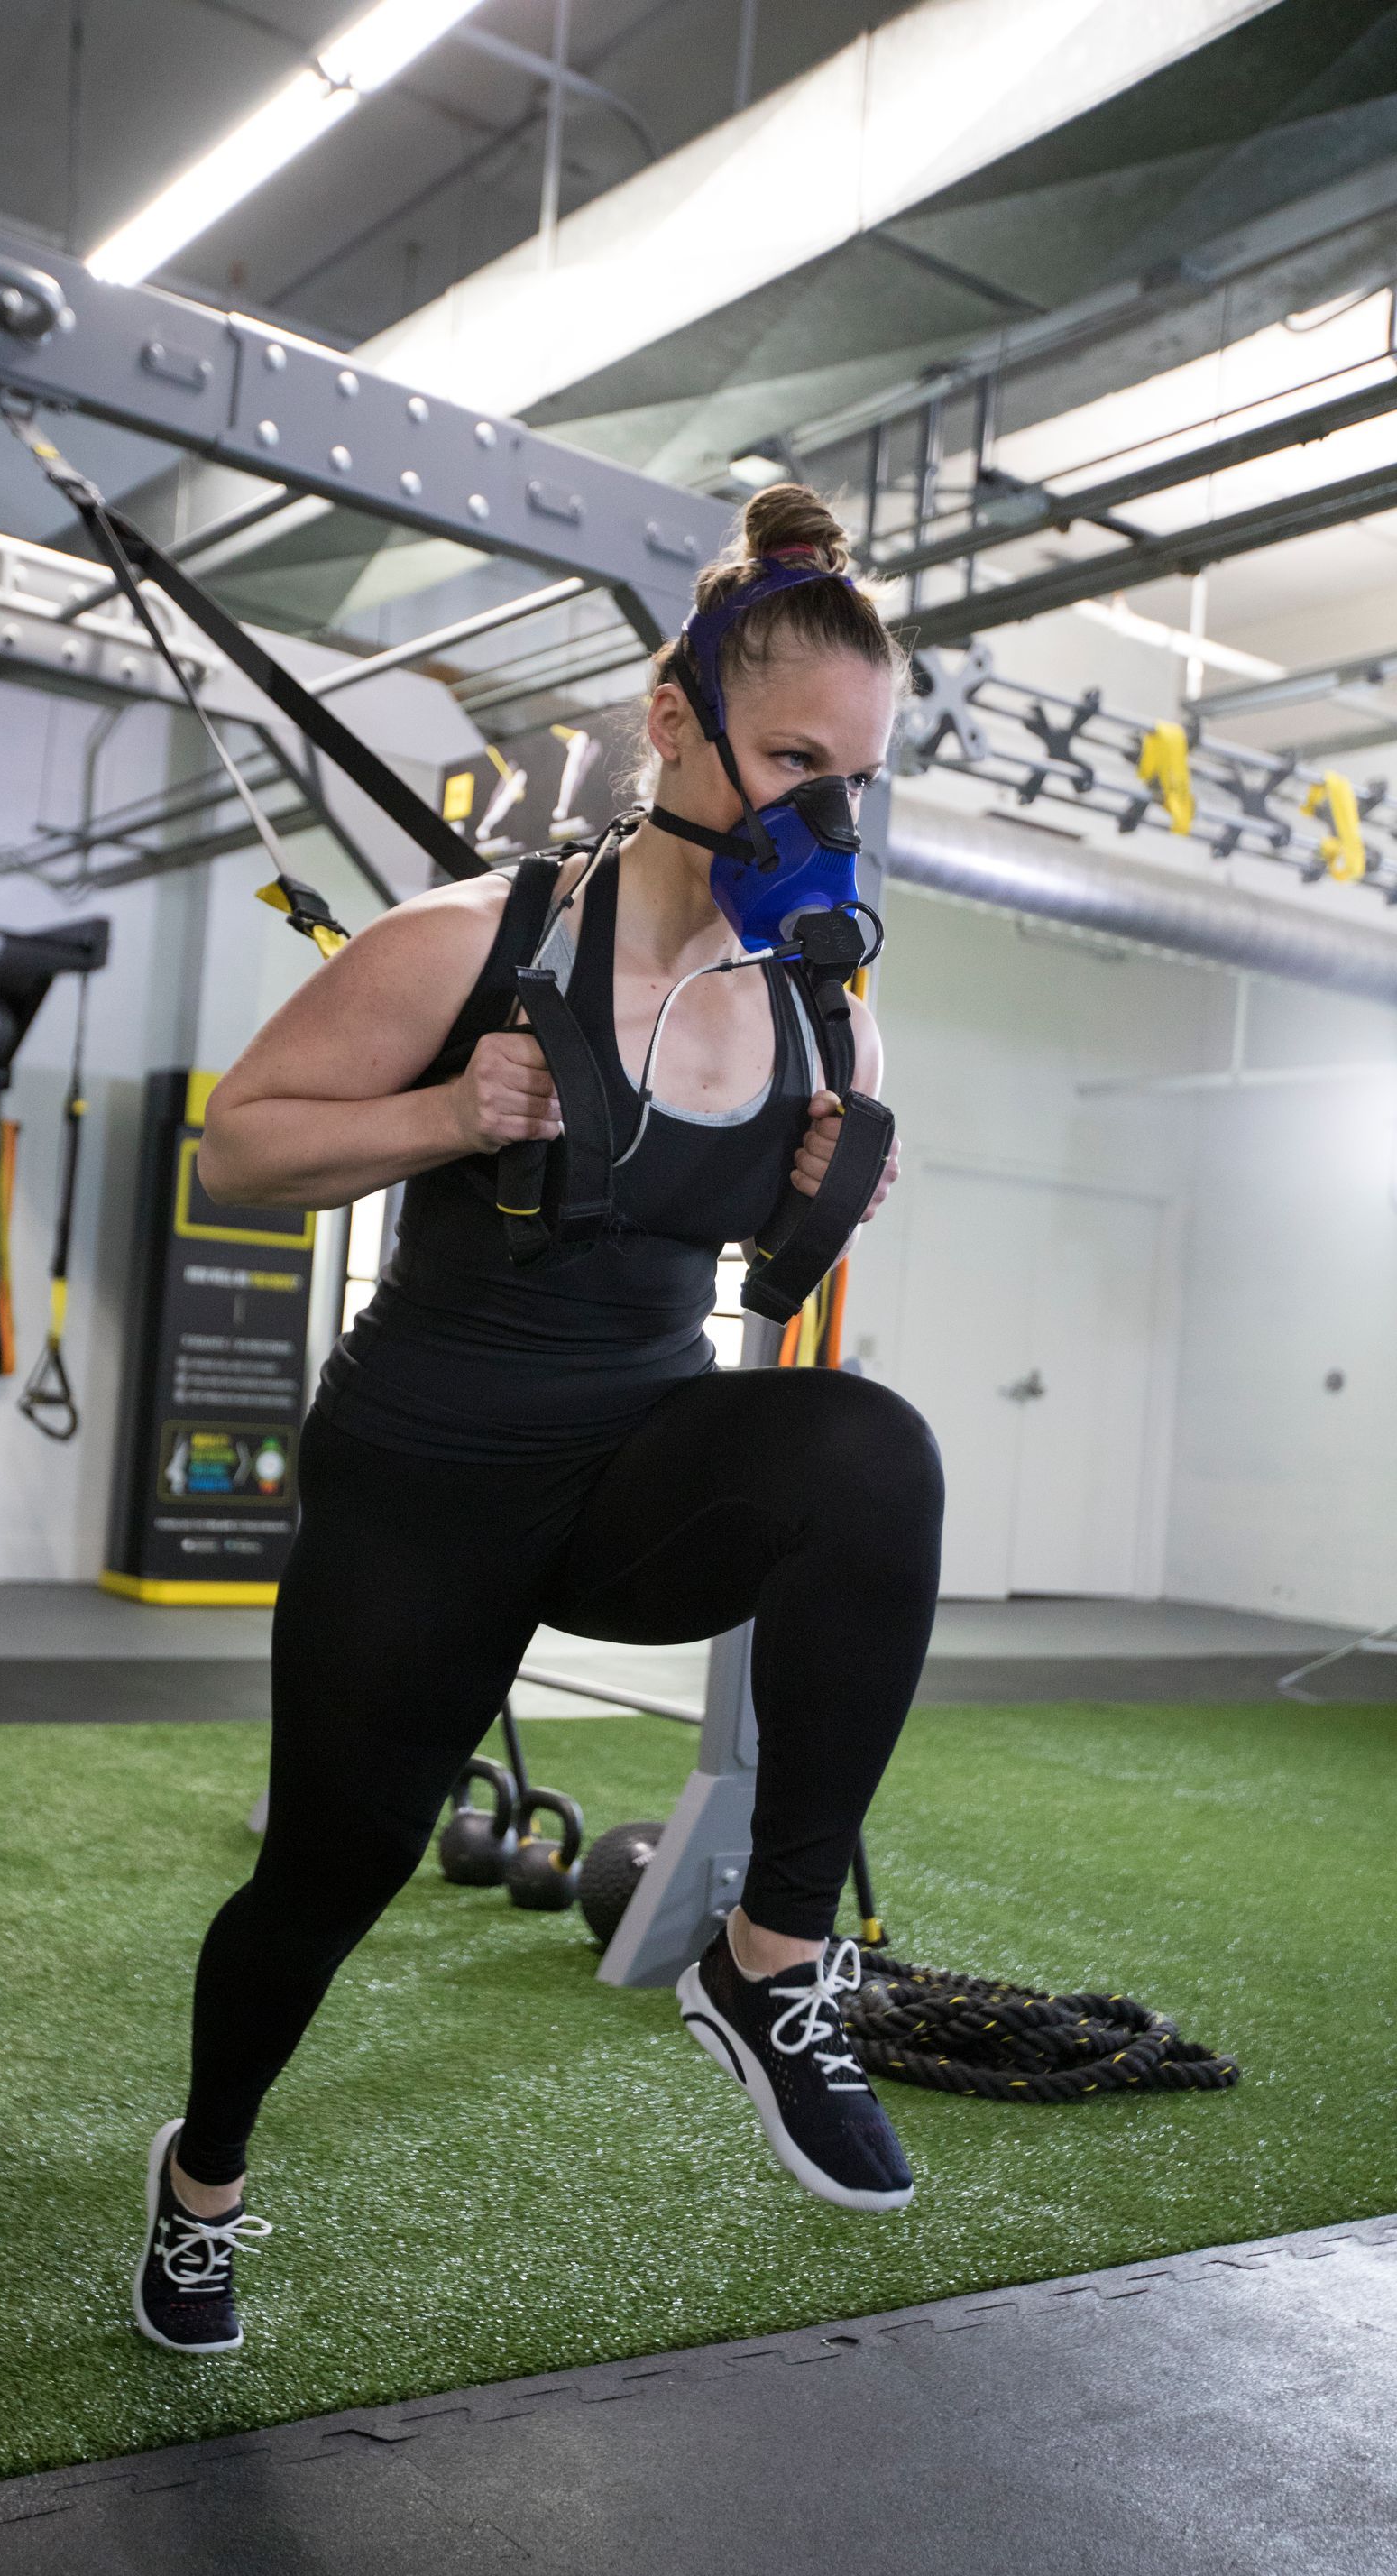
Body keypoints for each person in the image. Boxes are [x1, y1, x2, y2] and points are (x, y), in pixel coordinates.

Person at [132, 483, 945, 2355]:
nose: (825, 809)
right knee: (320, 1887)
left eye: (859, 775)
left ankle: (771, 1967)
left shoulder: (831, 1008)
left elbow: (756, 1269)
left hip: (628, 1474)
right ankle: (204, 2181)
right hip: (421, 1478)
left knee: (867, 1451)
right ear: (676, 725)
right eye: (791, 757)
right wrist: (449, 1112)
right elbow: (240, 1147)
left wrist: (820, 1205)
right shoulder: (476, 939)